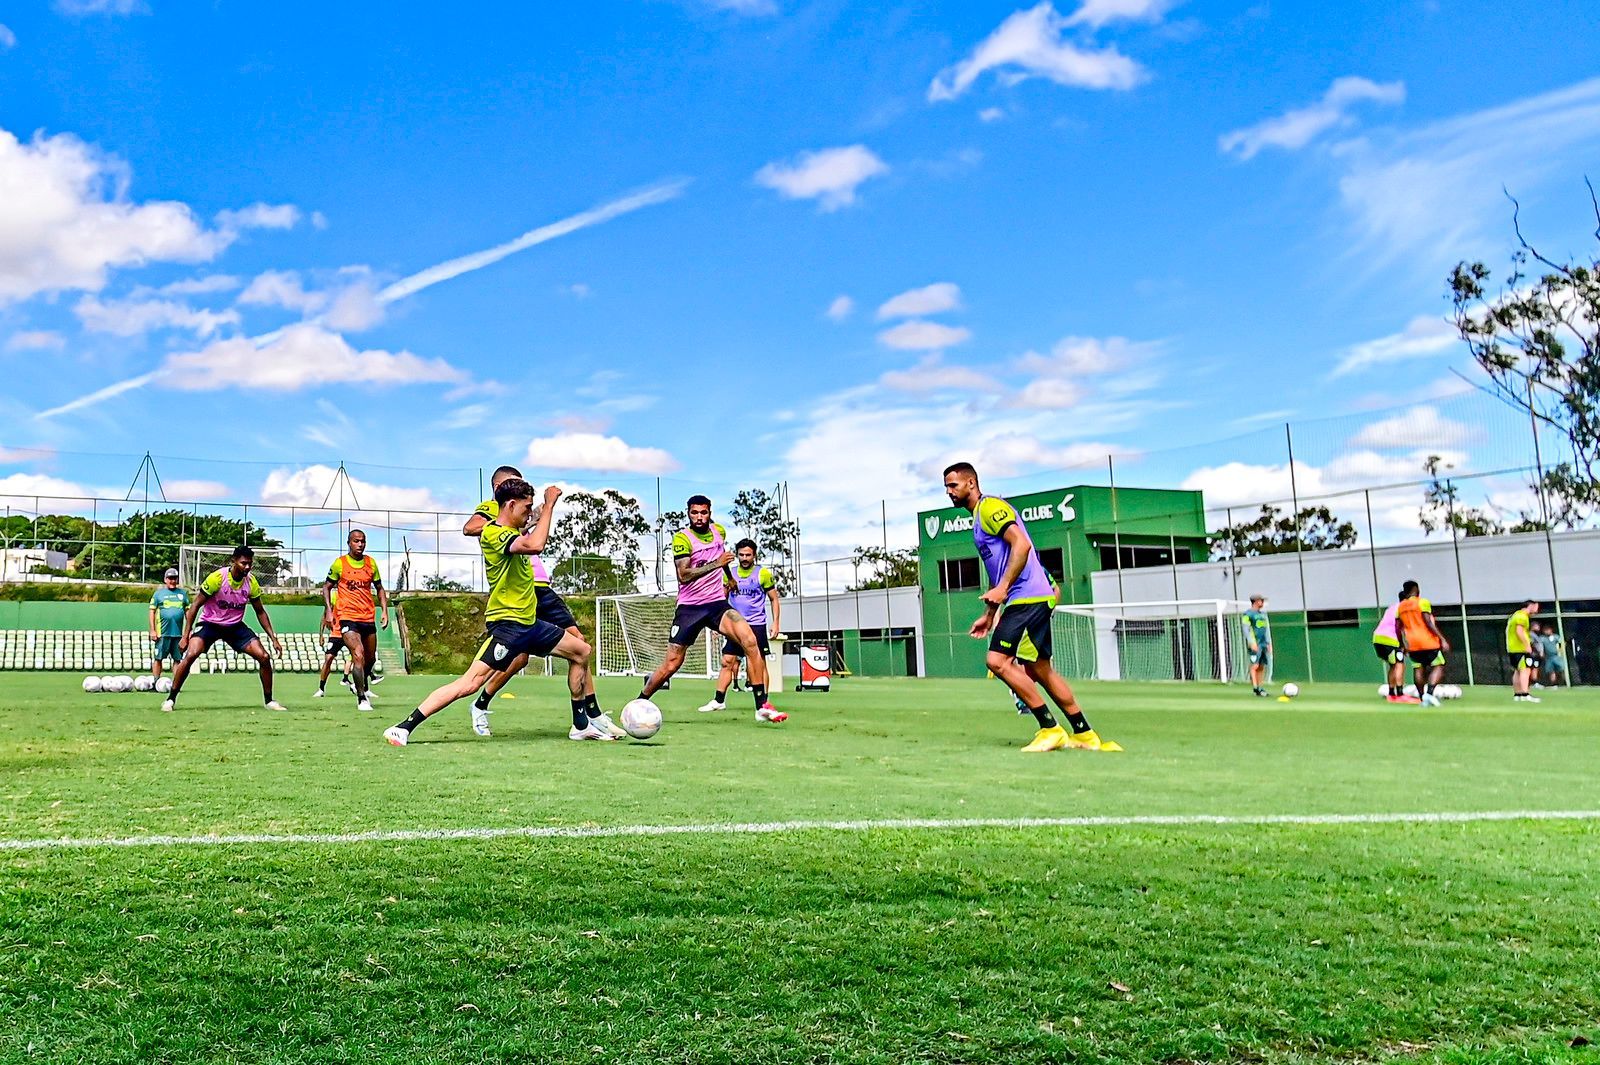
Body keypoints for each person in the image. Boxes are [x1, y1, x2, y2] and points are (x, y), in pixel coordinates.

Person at [384, 478, 607, 746]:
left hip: (531, 624)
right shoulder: (494, 534)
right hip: (509, 627)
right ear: (511, 505)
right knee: (469, 684)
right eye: (526, 508)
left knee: (581, 650)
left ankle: (580, 725)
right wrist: (549, 505)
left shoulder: (514, 530)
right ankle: (403, 727)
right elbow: (535, 545)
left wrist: (537, 513)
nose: (529, 513)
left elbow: (530, 528)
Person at [942, 462, 1120, 753]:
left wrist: (1003, 589)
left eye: (954, 485)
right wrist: (990, 614)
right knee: (1039, 669)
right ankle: (1085, 734)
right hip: (1025, 597)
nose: (949, 492)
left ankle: (1050, 728)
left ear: (971, 483)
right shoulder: (977, 520)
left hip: (1027, 596)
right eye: (947, 487)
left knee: (997, 661)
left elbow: (1021, 545)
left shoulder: (989, 508)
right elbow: (998, 570)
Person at [461, 466, 617, 738]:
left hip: (539, 584)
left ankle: (590, 716)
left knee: (579, 644)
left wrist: (534, 517)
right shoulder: (493, 508)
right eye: (512, 484)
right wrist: (516, 525)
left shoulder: (523, 505)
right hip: (519, 590)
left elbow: (533, 535)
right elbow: (469, 527)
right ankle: (481, 703)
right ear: (499, 488)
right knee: (519, 659)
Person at [638, 495, 786, 723]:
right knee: (672, 663)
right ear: (688, 513)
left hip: (716, 603)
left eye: (703, 512)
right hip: (690, 607)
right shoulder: (682, 539)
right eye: (694, 512)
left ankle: (761, 707)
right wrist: (717, 565)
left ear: (710, 512)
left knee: (749, 640)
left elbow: (723, 559)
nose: (699, 517)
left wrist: (729, 578)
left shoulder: (719, 532)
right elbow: (684, 575)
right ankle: (640, 701)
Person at [162, 545, 286, 712]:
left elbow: (260, 611)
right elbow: (195, 605)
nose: (247, 567)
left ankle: (269, 701)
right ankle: (171, 699)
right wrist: (186, 635)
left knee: (264, 657)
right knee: (191, 654)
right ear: (233, 561)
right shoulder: (217, 578)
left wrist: (273, 638)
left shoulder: (251, 583)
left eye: (250, 564)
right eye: (243, 563)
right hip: (210, 624)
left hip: (234, 626)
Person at [699, 538, 782, 713]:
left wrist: (775, 623)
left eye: (748, 555)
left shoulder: (763, 574)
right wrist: (717, 624)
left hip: (756, 624)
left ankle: (763, 703)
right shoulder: (729, 574)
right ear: (737, 555)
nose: (744, 558)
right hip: (735, 625)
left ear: (754, 555)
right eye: (741, 554)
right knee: (727, 661)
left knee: (760, 663)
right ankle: (719, 700)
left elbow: (774, 599)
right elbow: (721, 599)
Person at [323, 528, 389, 713]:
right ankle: (362, 698)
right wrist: (329, 611)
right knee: (357, 654)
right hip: (347, 616)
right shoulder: (340, 564)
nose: (360, 544)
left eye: (363, 541)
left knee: (370, 658)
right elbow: (326, 587)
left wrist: (384, 610)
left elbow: (380, 588)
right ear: (349, 543)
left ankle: (357, 683)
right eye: (356, 541)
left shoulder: (371, 563)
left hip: (368, 616)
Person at [1396, 581, 1450, 707]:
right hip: (1428, 641)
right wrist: (1442, 638)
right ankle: (1429, 694)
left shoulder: (1400, 607)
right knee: (1439, 666)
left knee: (1418, 668)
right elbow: (1428, 622)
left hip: (1412, 644)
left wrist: (1402, 645)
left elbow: (1399, 627)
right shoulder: (1422, 602)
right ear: (1415, 589)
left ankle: (1422, 698)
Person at [1372, 590, 1419, 704]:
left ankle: (1392, 694)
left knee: (1393, 666)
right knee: (1399, 664)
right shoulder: (1404, 609)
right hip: (1390, 639)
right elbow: (1400, 628)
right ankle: (1400, 694)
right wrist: (1404, 645)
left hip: (1377, 639)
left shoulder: (1391, 608)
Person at [147, 567, 190, 685]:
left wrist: (188, 632)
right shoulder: (158, 594)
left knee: (177, 659)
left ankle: (175, 685)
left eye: (175, 578)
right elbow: (152, 612)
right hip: (162, 633)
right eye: (170, 578)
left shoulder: (183, 594)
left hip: (178, 634)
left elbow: (188, 613)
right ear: (165, 579)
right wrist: (152, 630)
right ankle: (155, 683)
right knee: (158, 658)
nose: (172, 581)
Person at [312, 601, 352, 698]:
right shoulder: (334, 598)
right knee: (328, 659)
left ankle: (364, 688)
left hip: (350, 633)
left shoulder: (352, 597)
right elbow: (324, 616)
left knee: (359, 657)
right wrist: (321, 635)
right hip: (336, 634)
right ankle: (321, 688)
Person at [1506, 599, 1541, 703]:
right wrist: (1527, 645)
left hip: (1512, 648)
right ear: (1531, 605)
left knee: (1517, 671)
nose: (1537, 609)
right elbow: (1519, 631)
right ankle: (1525, 694)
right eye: (1536, 606)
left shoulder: (1515, 615)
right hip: (1519, 648)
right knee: (1525, 670)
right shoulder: (1522, 616)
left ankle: (1518, 694)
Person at [1243, 595, 1271, 697]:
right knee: (1254, 665)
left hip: (1263, 643)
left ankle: (1260, 687)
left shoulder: (1262, 614)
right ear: (1255, 601)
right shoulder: (1248, 614)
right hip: (1255, 643)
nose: (1263, 602)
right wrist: (1251, 642)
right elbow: (1246, 628)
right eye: (1261, 600)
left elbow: (1265, 630)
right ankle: (1255, 688)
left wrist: (1268, 643)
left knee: (1262, 666)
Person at [1538, 622, 1568, 688]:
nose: (1546, 631)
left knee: (1562, 669)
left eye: (1548, 629)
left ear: (1551, 630)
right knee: (1551, 671)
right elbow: (1540, 646)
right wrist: (1541, 653)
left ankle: (1565, 682)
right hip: (1548, 657)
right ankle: (1554, 684)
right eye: (1545, 630)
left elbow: (1563, 643)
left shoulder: (1556, 637)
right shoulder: (1542, 638)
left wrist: (1560, 650)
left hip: (1557, 656)